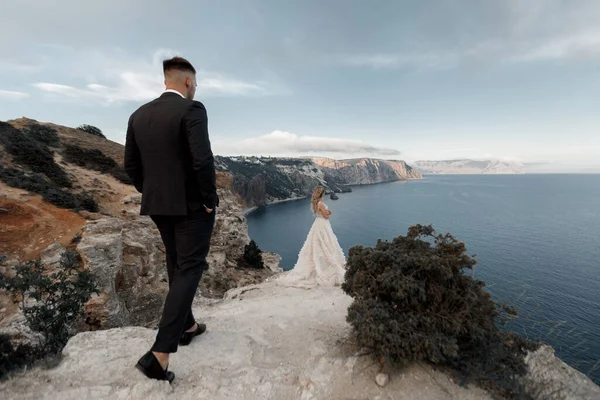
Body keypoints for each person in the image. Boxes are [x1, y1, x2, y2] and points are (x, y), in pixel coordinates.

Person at [124, 56, 218, 383]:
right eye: (196, 83)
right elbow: (202, 159)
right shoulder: (192, 110)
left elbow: (131, 167)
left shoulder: (138, 115)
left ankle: (187, 325)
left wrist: (153, 192)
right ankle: (159, 354)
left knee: (176, 261)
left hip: (158, 205)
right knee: (191, 267)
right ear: (188, 82)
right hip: (192, 206)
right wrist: (208, 200)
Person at [277, 187, 346, 288]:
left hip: (318, 223)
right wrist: (329, 213)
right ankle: (326, 266)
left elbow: (320, 214)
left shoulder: (315, 203)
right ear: (322, 194)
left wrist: (326, 213)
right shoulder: (321, 204)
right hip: (323, 224)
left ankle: (320, 264)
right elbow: (326, 216)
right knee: (325, 243)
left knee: (317, 243)